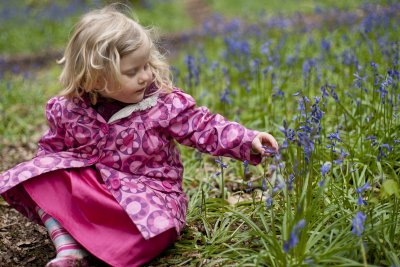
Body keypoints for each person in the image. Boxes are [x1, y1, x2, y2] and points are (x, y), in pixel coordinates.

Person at [0, 4, 278, 267]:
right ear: (95, 78)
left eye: (146, 65)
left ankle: (106, 243)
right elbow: (54, 150)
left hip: (149, 194)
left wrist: (245, 139)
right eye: (132, 71)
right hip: (96, 192)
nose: (145, 76)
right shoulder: (69, 110)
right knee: (42, 176)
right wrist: (49, 183)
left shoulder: (161, 105)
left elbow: (203, 126)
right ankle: (68, 243)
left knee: (154, 228)